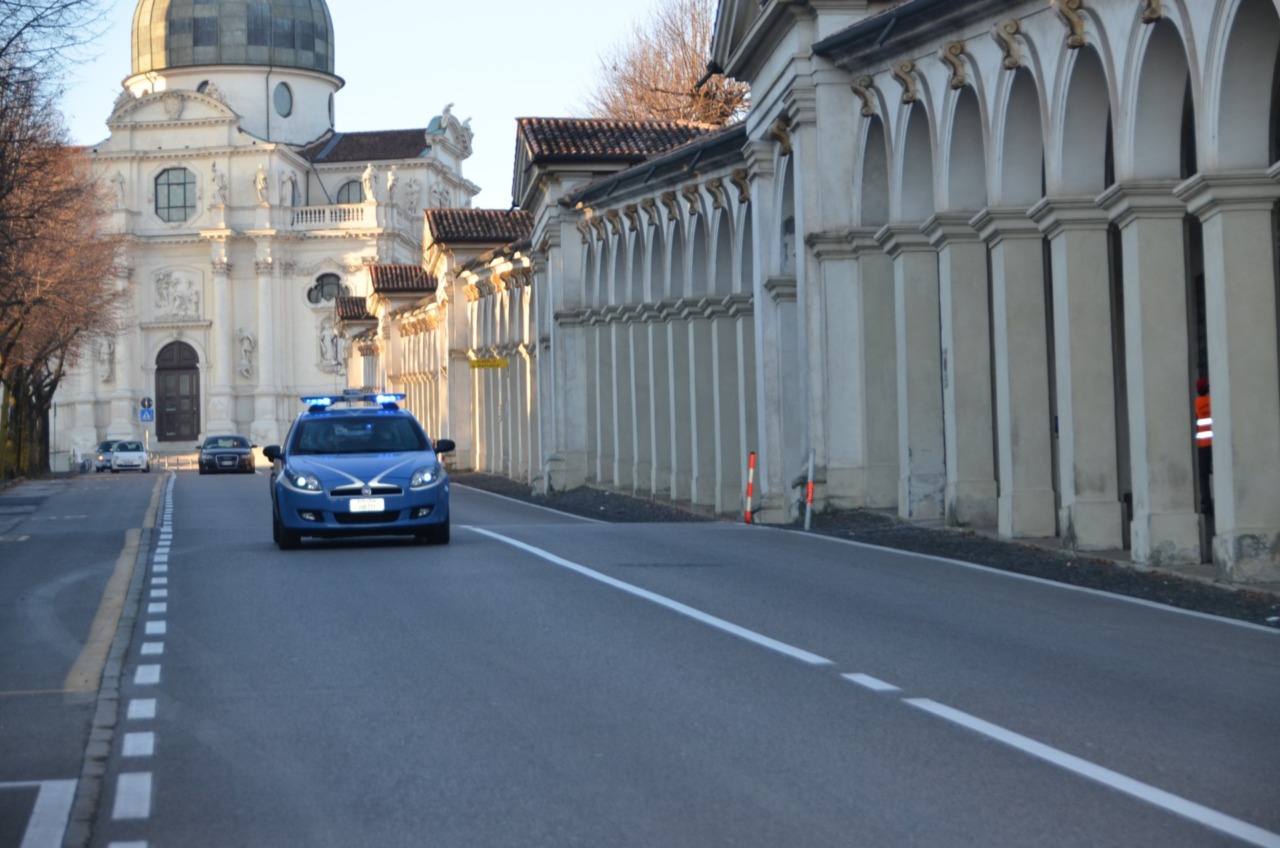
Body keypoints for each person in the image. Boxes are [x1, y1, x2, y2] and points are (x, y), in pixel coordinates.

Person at [1195, 377, 1213, 513]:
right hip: (1215, 442)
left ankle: (1206, 502)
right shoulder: (1212, 401)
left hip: (1203, 445)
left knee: (1203, 474)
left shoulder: (1197, 403)